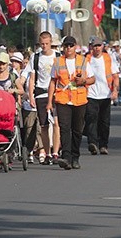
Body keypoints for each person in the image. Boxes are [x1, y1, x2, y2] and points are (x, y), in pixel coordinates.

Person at [47, 36, 95, 170]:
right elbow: (52, 82)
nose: (68, 48)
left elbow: (92, 79)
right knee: (64, 128)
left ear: (75, 46)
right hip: (63, 99)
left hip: (79, 100)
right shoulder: (57, 61)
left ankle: (75, 157)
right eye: (66, 46)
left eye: (71, 46)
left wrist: (83, 81)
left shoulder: (83, 61)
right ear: (63, 47)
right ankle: (66, 157)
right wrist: (49, 102)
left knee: (77, 130)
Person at [28, 31, 59, 165]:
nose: (44, 46)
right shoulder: (35, 57)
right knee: (44, 125)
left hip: (56, 94)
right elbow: (32, 78)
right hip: (41, 93)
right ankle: (46, 153)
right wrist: (31, 95)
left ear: (51, 43)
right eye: (42, 44)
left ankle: (56, 152)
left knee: (57, 124)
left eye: (47, 44)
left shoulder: (58, 57)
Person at [85, 36, 118, 156]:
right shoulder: (87, 59)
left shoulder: (108, 58)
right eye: (95, 46)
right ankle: (92, 143)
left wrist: (115, 90)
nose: (97, 48)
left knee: (104, 121)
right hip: (91, 94)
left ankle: (103, 144)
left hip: (105, 94)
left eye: (99, 46)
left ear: (103, 46)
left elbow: (115, 76)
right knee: (92, 119)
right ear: (91, 47)